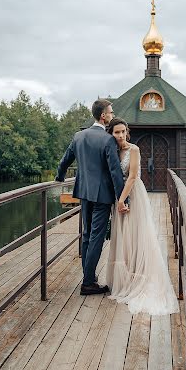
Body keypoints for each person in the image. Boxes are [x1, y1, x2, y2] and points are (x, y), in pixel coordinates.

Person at [105, 117, 179, 316]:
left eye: (122, 132)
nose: (120, 136)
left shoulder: (134, 149)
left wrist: (122, 200)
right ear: (111, 134)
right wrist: (117, 199)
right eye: (116, 132)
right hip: (117, 195)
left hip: (133, 194)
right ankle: (124, 278)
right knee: (122, 235)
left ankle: (138, 276)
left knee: (136, 232)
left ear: (127, 132)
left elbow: (132, 176)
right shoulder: (111, 150)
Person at [55, 99, 128, 296]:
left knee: (87, 235)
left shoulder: (79, 136)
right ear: (103, 116)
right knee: (96, 237)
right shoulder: (108, 140)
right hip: (102, 196)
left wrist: (59, 177)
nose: (112, 115)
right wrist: (123, 199)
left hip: (84, 193)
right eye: (111, 112)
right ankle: (88, 283)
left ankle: (89, 277)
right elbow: (115, 172)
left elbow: (65, 160)